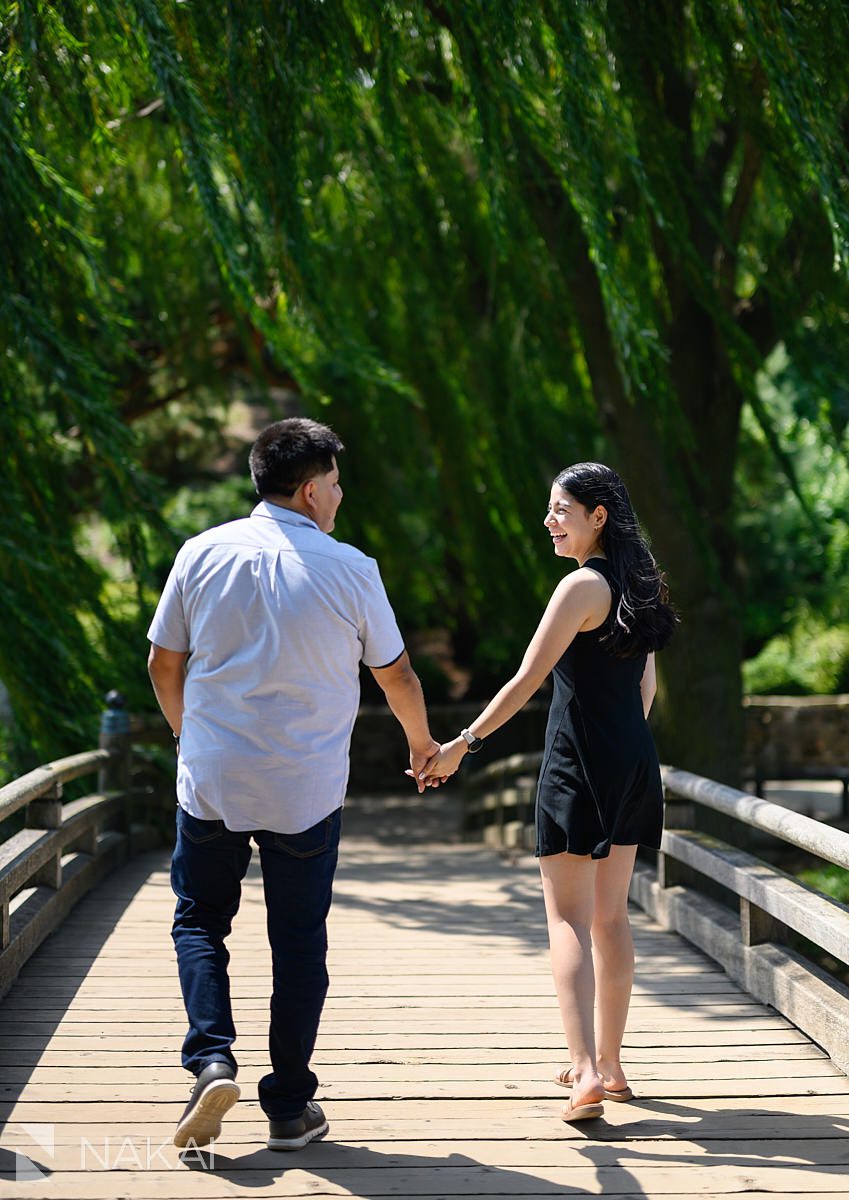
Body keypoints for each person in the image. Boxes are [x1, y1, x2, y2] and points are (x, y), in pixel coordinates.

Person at [147, 417, 438, 1152]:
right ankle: (286, 1106)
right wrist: (422, 746)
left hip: (212, 777)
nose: (339, 496)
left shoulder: (201, 553)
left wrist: (188, 738)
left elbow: (162, 663)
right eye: (335, 484)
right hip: (304, 787)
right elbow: (397, 674)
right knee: (298, 942)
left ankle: (211, 1059)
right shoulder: (351, 569)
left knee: (199, 921)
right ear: (311, 491)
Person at [420, 462, 677, 1122]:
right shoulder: (641, 585)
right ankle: (611, 1064)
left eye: (560, 509)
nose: (548, 521)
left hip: (576, 763)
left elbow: (525, 681)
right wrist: (622, 746)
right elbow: (645, 688)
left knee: (567, 919)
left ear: (597, 516)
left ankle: (584, 1071)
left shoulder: (580, 586)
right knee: (611, 916)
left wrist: (461, 744)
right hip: (632, 760)